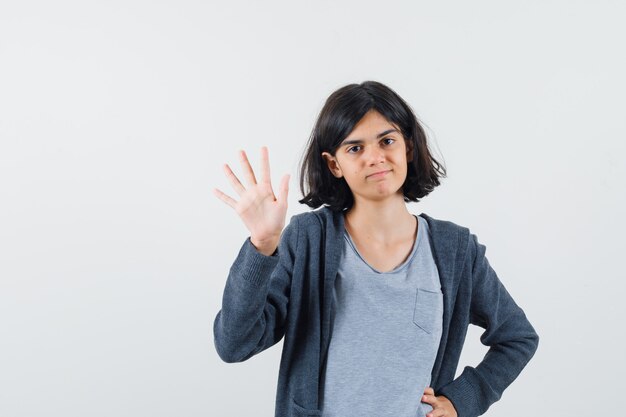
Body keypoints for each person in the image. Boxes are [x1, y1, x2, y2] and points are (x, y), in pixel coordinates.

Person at [212, 80, 539, 417]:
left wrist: (462, 400)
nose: (375, 158)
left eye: (387, 141)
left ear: (408, 148)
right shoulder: (309, 239)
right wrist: (262, 246)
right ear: (334, 164)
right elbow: (234, 344)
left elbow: (517, 338)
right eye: (355, 148)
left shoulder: (455, 251)